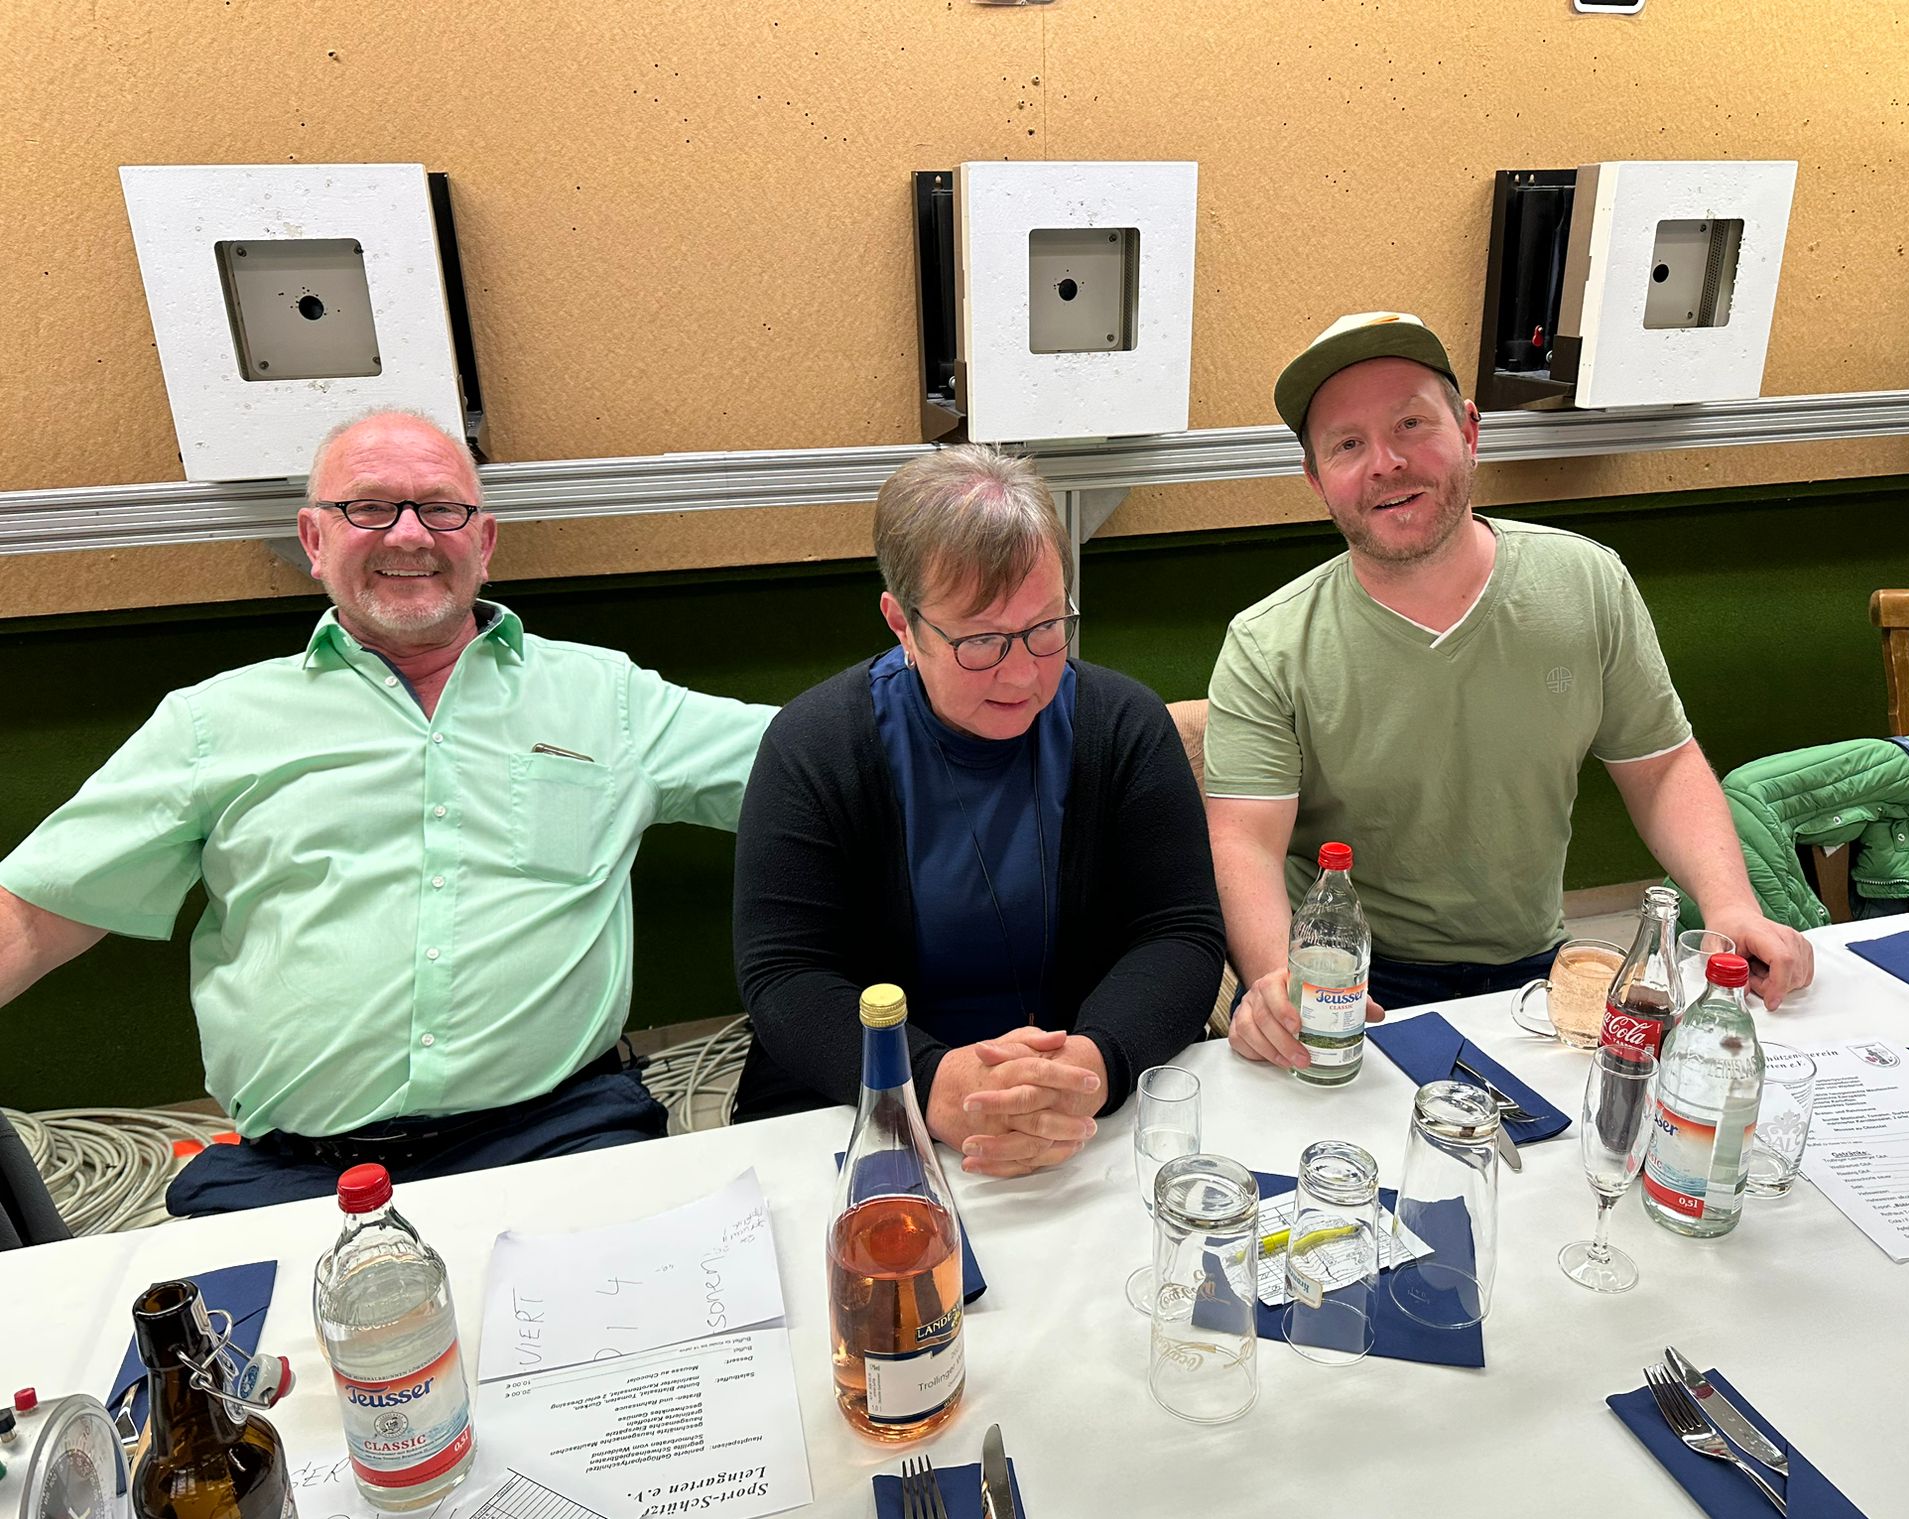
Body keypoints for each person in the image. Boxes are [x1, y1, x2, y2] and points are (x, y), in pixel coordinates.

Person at [0, 410, 777, 1213]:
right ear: (313, 539)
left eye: (442, 508)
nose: (410, 534)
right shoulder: (210, 724)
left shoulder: (606, 699)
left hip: (560, 1134)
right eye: (369, 507)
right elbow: (32, 913)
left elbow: (815, 763)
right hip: (297, 1173)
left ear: (484, 542)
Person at [1206, 312, 1815, 1072]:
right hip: (1346, 977)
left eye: (1411, 424)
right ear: (1315, 478)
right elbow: (1245, 838)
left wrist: (1731, 908)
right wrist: (1277, 982)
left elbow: (1660, 766)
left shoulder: (1586, 583)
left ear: (1469, 430)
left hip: (1535, 970)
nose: (1386, 463)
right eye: (1347, 445)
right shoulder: (1268, 643)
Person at [731, 445, 1224, 1177]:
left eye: (1046, 627)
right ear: (902, 624)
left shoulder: (1123, 727)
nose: (1022, 675)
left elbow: (1180, 932)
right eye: (981, 641)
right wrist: (926, 1082)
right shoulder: (815, 747)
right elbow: (786, 976)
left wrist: (1090, 1068)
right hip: (872, 1097)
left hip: (1078, 1109)